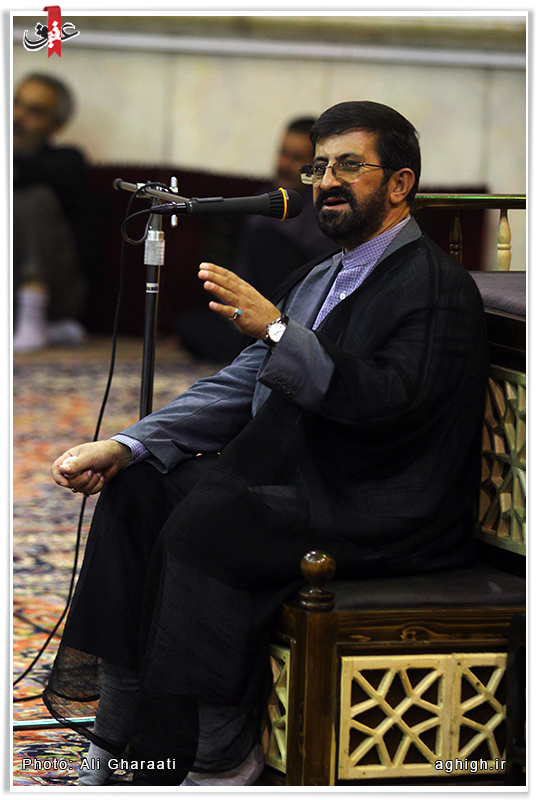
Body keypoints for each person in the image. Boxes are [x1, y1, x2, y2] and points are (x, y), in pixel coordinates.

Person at [44, 100, 489, 786]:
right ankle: (123, 738)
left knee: (214, 517)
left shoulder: (436, 286)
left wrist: (280, 331)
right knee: (140, 493)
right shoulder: (323, 273)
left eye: (348, 165)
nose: (326, 181)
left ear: (400, 183)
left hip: (380, 503)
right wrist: (128, 445)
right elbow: (241, 382)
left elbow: (388, 399)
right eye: (319, 166)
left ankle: (220, 755)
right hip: (301, 480)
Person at [175, 116, 335, 361]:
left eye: (295, 158)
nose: (283, 164)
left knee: (265, 240)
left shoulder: (325, 206)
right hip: (251, 315)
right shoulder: (264, 199)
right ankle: (259, 350)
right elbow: (244, 275)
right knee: (189, 324)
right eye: (282, 153)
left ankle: (270, 348)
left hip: (298, 318)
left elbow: (317, 273)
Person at [13, 73, 91, 353]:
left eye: (34, 111)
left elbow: (22, 171)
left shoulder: (67, 161)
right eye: (15, 103)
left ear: (56, 125)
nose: (17, 116)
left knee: (31, 199)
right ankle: (48, 329)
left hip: (58, 294)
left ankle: (34, 319)